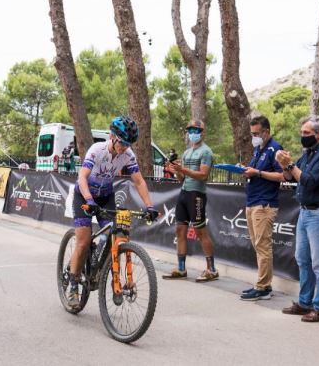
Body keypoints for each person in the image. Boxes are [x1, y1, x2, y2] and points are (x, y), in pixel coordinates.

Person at [67, 115, 158, 309]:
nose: (124, 147)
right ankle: (73, 284)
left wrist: (150, 206)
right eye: (122, 142)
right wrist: (89, 201)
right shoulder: (96, 150)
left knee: (115, 235)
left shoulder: (128, 155)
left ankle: (106, 273)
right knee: (83, 241)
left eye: (128, 144)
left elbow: (139, 181)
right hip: (84, 195)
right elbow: (82, 178)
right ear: (112, 136)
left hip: (106, 195)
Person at [277, 115, 319, 323]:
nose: (302, 136)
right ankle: (305, 303)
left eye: (306, 133)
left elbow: (308, 180)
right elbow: (289, 177)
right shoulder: (309, 152)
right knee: (302, 259)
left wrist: (291, 165)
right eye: (302, 132)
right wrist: (284, 164)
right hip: (305, 211)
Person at [163, 119, 218, 282]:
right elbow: (182, 178)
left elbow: (203, 175)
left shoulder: (206, 152)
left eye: (196, 130)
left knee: (201, 231)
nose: (193, 133)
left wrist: (183, 169)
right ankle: (181, 268)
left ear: (202, 132)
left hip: (197, 195)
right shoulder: (186, 153)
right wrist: (175, 170)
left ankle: (212, 269)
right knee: (179, 230)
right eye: (190, 130)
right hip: (184, 192)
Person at [240, 115, 284, 301]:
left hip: (264, 204)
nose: (254, 137)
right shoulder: (258, 149)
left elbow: (283, 176)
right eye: (252, 134)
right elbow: (254, 172)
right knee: (258, 245)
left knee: (263, 245)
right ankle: (261, 283)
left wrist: (257, 172)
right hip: (252, 201)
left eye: (257, 133)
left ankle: (264, 286)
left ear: (266, 132)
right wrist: (245, 170)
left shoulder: (275, 148)